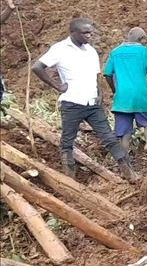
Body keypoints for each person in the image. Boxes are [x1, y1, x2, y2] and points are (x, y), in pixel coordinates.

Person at [32, 19, 138, 180]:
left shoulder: (91, 51)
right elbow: (37, 67)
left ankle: (129, 173)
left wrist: (100, 93)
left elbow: (95, 75)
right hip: (72, 103)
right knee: (67, 141)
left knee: (109, 137)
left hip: (92, 103)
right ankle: (70, 180)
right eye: (85, 33)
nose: (89, 36)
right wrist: (58, 86)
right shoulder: (60, 49)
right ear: (73, 32)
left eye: (90, 32)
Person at [103, 28, 147, 160]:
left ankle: (125, 160)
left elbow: (107, 74)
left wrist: (114, 89)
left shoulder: (115, 52)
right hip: (140, 95)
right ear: (141, 39)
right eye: (145, 38)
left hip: (122, 97)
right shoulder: (144, 51)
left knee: (125, 132)